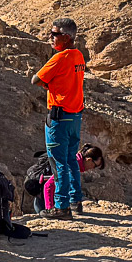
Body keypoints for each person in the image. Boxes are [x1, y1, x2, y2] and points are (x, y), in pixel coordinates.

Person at [30, 17, 86, 218]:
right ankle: (75, 201)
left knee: (57, 162)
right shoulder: (78, 56)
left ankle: (61, 207)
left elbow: (35, 79)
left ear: (66, 37)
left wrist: (48, 85)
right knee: (71, 160)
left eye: (54, 34)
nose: (50, 37)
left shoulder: (60, 58)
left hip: (59, 118)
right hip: (74, 117)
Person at [40, 143, 105, 213]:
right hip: (41, 193)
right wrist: (50, 209)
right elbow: (48, 185)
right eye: (95, 166)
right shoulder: (71, 165)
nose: (92, 168)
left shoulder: (74, 162)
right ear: (89, 160)